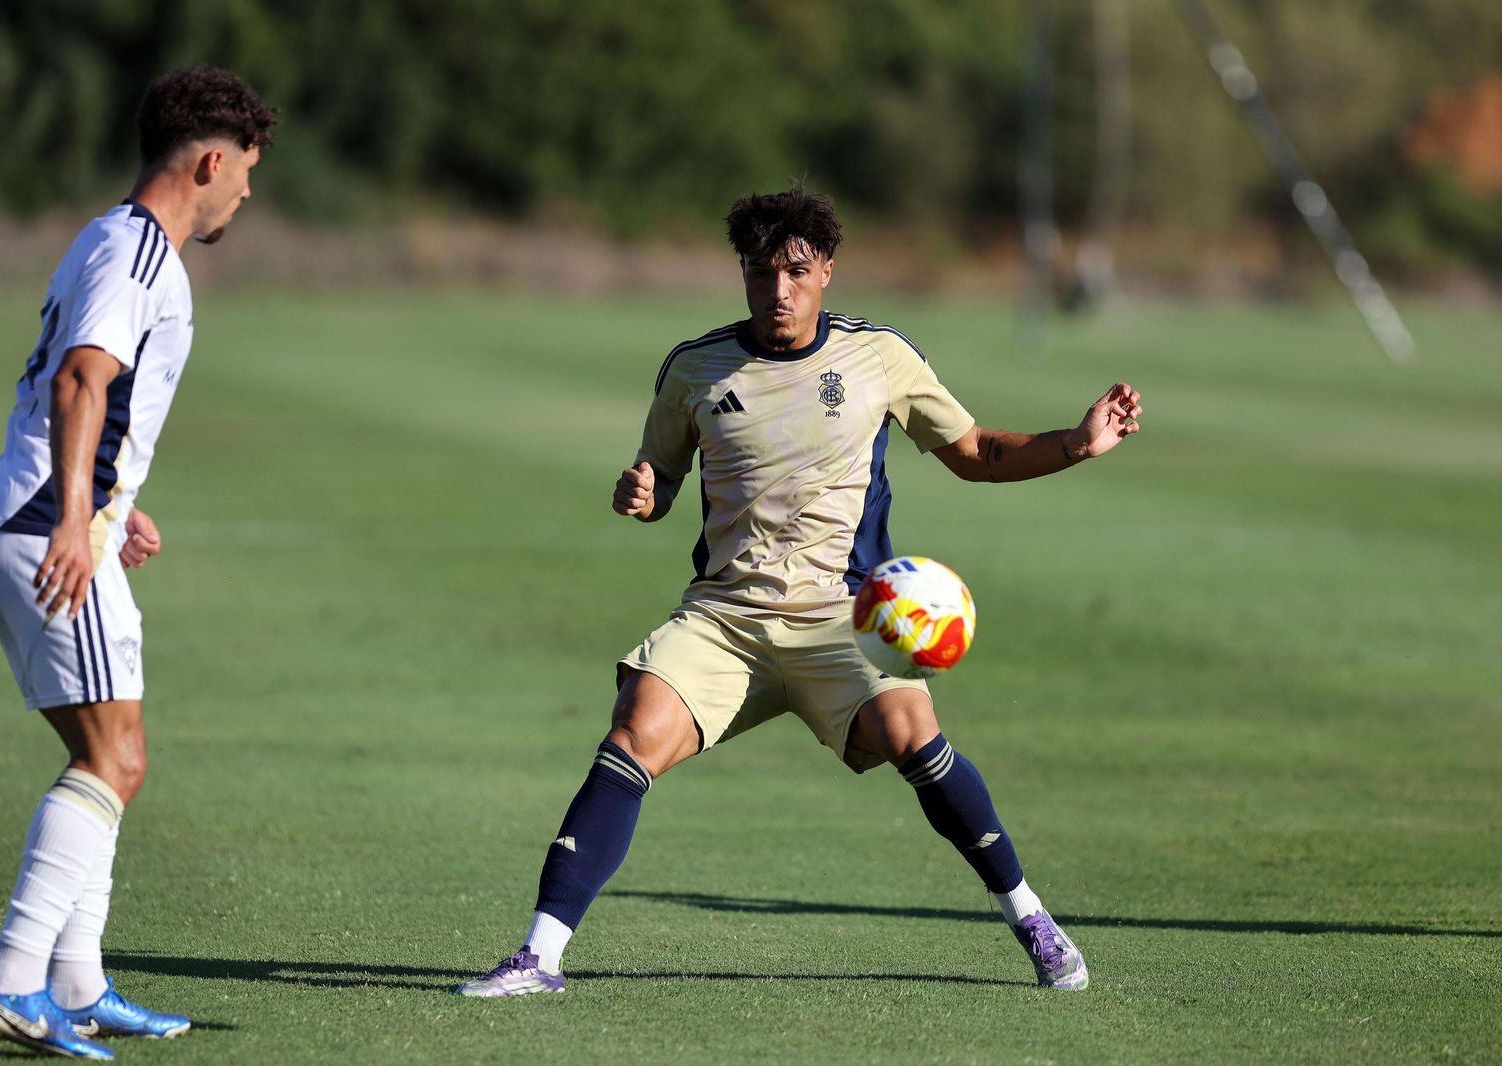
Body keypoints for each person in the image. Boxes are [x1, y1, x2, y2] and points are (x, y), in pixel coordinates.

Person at [457, 186, 1141, 999]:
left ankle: (1031, 917)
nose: (777, 290)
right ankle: (538, 957)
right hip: (725, 616)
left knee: (912, 733)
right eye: (760, 272)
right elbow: (660, 475)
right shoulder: (693, 368)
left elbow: (978, 452)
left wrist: (1076, 443)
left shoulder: (879, 357)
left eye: (795, 271)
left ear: (826, 273)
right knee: (633, 731)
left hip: (841, 621)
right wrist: (643, 492)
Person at [0, 66, 277, 1059]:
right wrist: (76, 517)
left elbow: (78, 394)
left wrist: (112, 503)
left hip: (35, 518)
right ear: (210, 162)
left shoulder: (110, 237)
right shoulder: (139, 253)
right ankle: (12, 980)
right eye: (246, 173)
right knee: (115, 760)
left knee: (106, 756)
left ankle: (75, 983)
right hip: (45, 531)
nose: (247, 193)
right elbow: (79, 380)